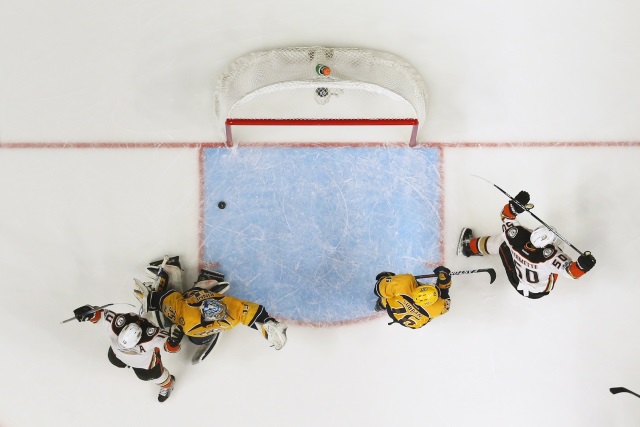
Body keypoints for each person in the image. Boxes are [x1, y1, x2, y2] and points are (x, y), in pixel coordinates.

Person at [134, 256, 288, 364]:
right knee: (186, 326)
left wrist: (152, 298)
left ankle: (177, 274)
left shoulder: (190, 318)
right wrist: (267, 322)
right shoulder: (232, 311)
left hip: (192, 321)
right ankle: (205, 282)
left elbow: (168, 299)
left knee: (170, 323)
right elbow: (253, 313)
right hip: (197, 313)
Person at [457, 190, 597, 299]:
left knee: (501, 242)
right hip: (541, 290)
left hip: (517, 280)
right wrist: (582, 266)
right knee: (557, 255)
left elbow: (506, 216)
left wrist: (513, 207)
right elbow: (572, 272)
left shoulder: (516, 237)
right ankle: (470, 247)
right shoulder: (550, 257)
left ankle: (469, 247)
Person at [72, 305, 179, 402]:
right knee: (113, 359)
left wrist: (174, 341)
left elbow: (169, 346)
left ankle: (167, 385)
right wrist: (88, 312)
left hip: (145, 364)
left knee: (150, 375)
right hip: (117, 354)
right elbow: (100, 315)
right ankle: (126, 360)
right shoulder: (117, 324)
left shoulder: (151, 337)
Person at [373, 266, 452, 328]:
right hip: (414, 323)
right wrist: (445, 281)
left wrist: (384, 278)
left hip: (393, 309)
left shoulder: (404, 283)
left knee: (388, 296)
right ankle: (380, 306)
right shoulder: (438, 308)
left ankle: (380, 305)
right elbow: (444, 295)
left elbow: (377, 290)